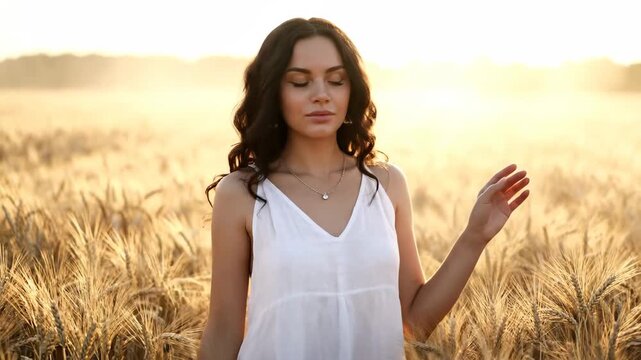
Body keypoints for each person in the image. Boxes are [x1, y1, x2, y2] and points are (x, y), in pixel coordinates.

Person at [197, 17, 530, 360]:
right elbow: (223, 330)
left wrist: (474, 237)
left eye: (336, 80)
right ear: (274, 93)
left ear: (351, 90)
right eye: (300, 82)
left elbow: (412, 324)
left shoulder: (386, 185)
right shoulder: (242, 194)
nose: (321, 95)